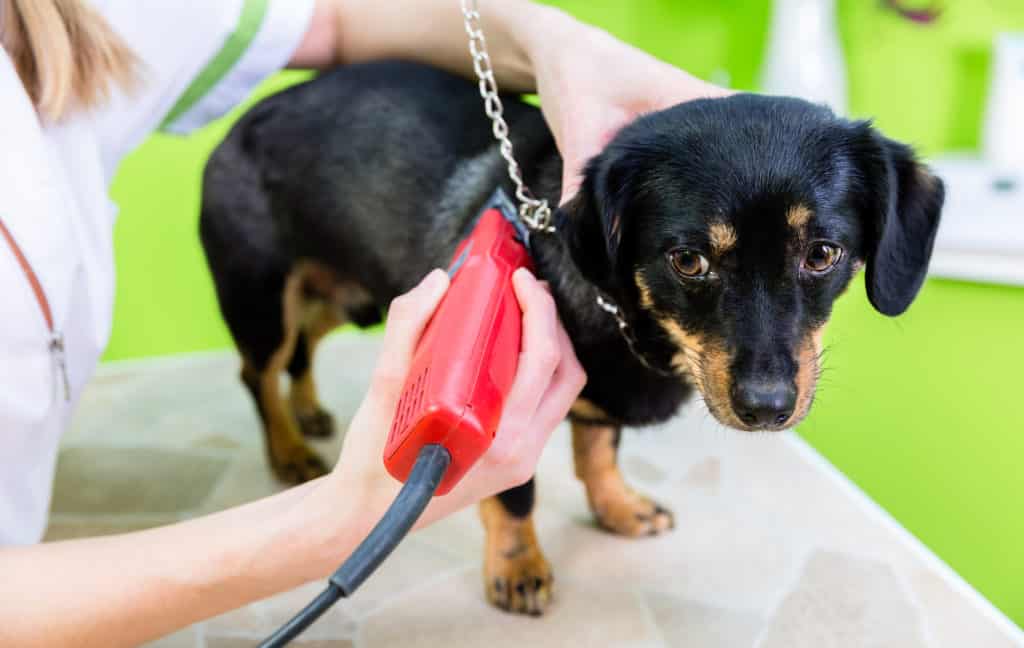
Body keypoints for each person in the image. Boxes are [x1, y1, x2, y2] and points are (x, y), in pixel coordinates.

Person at [0, 0, 726, 644]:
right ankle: (282, 409)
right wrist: (338, 519)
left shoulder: (72, 14)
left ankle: (600, 482)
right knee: (277, 344)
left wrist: (554, 40)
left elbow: (330, 16)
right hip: (269, 183)